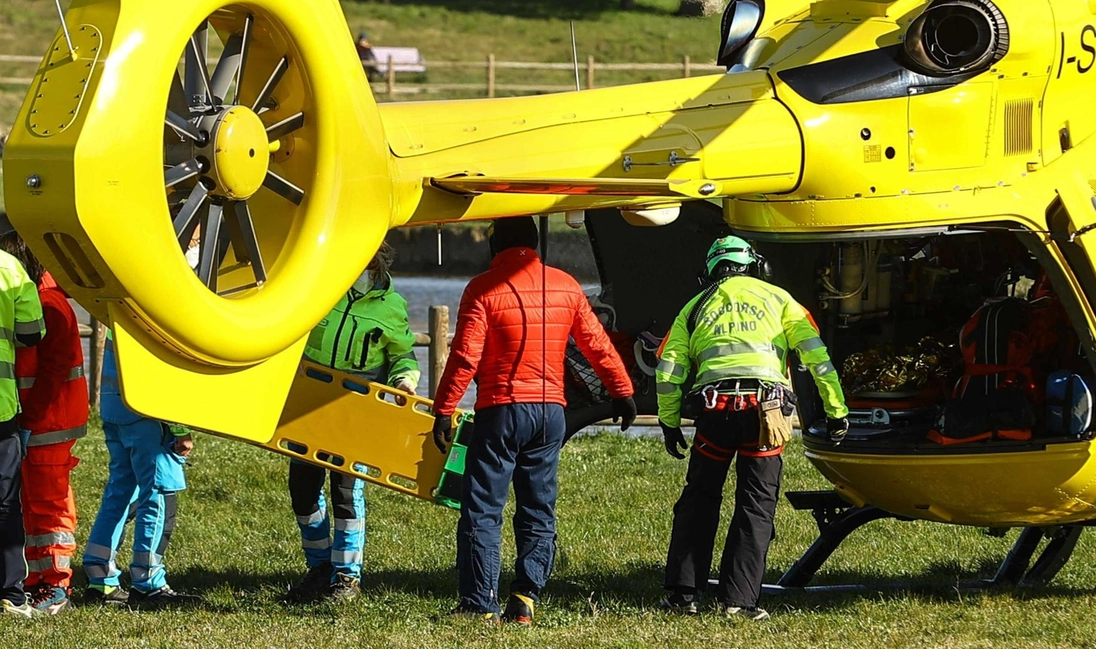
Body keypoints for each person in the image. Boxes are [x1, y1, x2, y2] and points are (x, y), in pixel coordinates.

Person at [431, 216, 638, 625]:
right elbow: (596, 344)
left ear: (495, 245)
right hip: (550, 414)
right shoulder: (566, 285)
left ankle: (479, 603)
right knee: (538, 507)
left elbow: (465, 357)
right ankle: (525, 598)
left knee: (483, 510)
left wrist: (443, 408)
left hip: (501, 410)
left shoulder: (482, 288)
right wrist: (623, 392)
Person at [655, 236, 850, 620]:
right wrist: (836, 410)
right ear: (755, 266)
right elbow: (817, 358)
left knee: (699, 499)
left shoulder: (694, 307)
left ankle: (682, 596)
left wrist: (669, 421)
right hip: (766, 412)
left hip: (715, 412)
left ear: (711, 272)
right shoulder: (781, 300)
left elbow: (668, 368)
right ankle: (738, 602)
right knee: (756, 505)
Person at [284, 242, 418, 604]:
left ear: (376, 261)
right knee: (303, 491)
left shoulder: (392, 307)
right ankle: (319, 568)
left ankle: (346, 578)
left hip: (355, 411)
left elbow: (402, 355)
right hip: (308, 408)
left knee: (346, 493)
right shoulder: (322, 289)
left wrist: (404, 382)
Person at [79, 332, 202, 610]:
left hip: (115, 407)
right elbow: (167, 369)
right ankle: (148, 584)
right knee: (158, 497)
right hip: (148, 415)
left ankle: (100, 579)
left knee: (120, 493)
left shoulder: (125, 297)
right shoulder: (161, 301)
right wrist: (180, 429)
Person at [0, 232, 87, 615]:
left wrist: (30, 420)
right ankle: (37, 579)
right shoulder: (43, 297)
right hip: (39, 418)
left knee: (49, 506)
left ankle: (56, 584)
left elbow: (52, 371)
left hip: (48, 421)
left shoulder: (48, 304)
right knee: (31, 503)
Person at [0, 246, 45, 618]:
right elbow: (31, 334)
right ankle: (11, 594)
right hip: (0, 407)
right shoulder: (10, 268)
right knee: (5, 500)